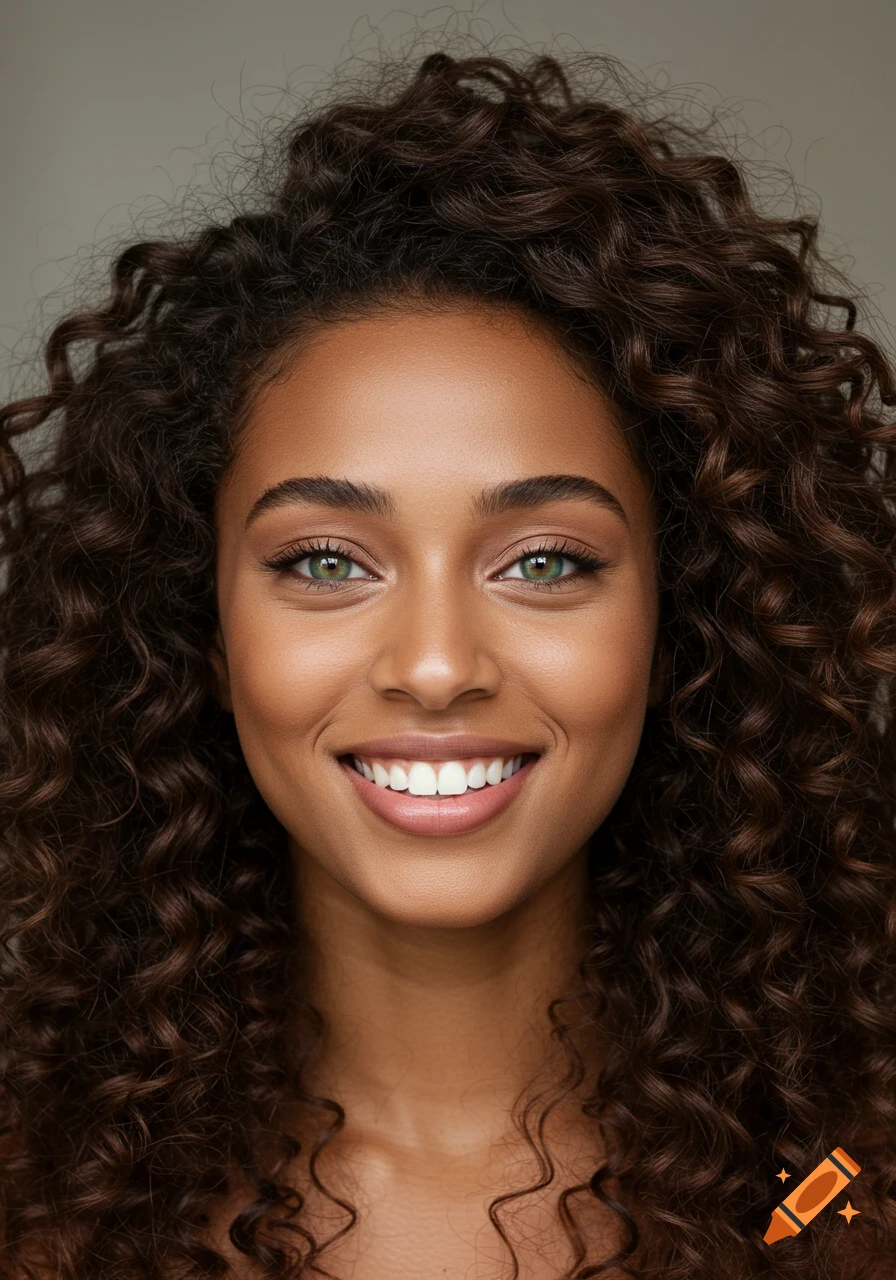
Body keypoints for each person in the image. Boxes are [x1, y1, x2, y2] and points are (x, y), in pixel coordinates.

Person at [0, 45, 893, 1280]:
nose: (433, 666)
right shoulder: (34, 1212)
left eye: (543, 561)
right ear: (198, 627)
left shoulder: (840, 1198)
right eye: (324, 560)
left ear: (677, 620)